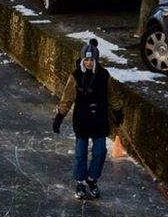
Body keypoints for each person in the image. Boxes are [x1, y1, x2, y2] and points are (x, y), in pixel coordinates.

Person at [53, 39, 124, 200]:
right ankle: (80, 181)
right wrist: (59, 116)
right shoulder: (76, 76)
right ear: (82, 60)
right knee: (81, 152)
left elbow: (112, 95)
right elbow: (67, 98)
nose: (89, 62)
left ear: (96, 60)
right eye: (87, 59)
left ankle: (91, 179)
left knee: (100, 151)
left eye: (92, 59)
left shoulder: (103, 75)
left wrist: (118, 111)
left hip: (99, 119)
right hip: (82, 120)